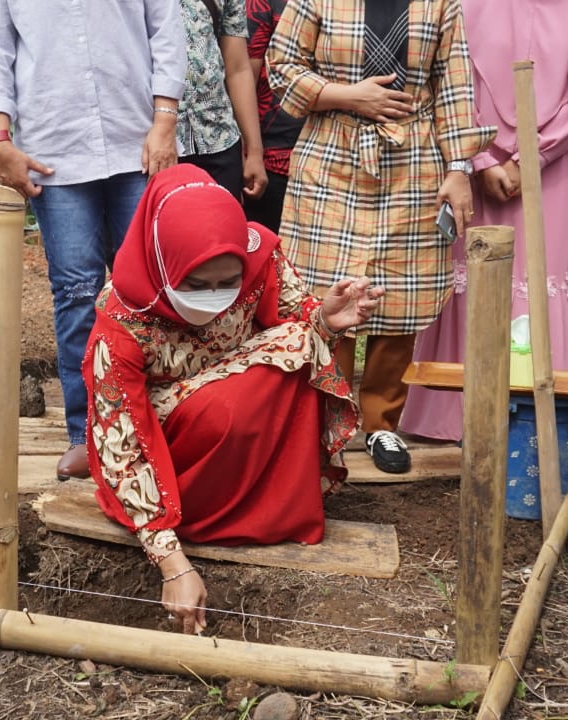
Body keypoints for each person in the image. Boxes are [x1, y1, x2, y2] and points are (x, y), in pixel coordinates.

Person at [84, 165, 382, 634]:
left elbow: (296, 314)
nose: (215, 300)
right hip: (167, 438)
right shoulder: (122, 318)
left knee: (298, 342)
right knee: (226, 404)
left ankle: (271, 505)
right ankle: (204, 512)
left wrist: (324, 317)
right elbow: (123, 445)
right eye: (196, 285)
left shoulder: (261, 255)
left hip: (234, 398)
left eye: (228, 282)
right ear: (162, 262)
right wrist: (172, 562)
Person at [267, 0, 495, 473]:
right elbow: (281, 65)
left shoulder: (440, 5)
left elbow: (453, 89)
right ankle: (325, 419)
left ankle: (382, 424)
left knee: (401, 293)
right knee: (328, 287)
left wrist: (457, 169)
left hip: (413, 158)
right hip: (332, 151)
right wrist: (347, 95)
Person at [0, 0, 187, 481]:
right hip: (55, 151)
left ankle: (167, 423)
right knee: (76, 294)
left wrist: (165, 121)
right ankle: (88, 433)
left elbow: (166, 29)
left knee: (152, 290)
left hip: (138, 142)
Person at [399, 0, 568, 442]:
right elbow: (448, 74)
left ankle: (538, 412)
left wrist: (533, 155)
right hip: (472, 162)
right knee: (472, 268)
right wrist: (479, 158)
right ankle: (450, 411)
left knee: (543, 271)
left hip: (552, 164)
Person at [174, 0, 267, 201]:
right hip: (157, 146)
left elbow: (238, 69)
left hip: (219, 141)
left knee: (224, 229)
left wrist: (254, 151)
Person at [243, 0, 304, 232]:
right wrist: (250, 152)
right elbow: (243, 76)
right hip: (273, 158)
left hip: (335, 154)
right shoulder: (262, 4)